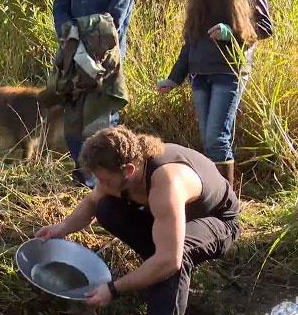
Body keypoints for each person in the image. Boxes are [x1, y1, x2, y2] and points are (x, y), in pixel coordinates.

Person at [36, 126, 240, 314]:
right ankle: (155, 276)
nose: (101, 184)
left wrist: (114, 288)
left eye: (105, 180)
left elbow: (170, 260)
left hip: (218, 221)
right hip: (172, 219)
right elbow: (92, 201)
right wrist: (62, 228)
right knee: (106, 207)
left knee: (174, 259)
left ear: (128, 170)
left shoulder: (166, 182)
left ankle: (161, 288)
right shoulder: (124, 173)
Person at [156, 0, 273, 186]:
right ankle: (217, 202)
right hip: (200, 73)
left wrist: (231, 32)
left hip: (228, 72)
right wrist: (174, 78)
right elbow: (191, 39)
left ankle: (225, 208)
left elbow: (265, 28)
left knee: (216, 139)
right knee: (208, 139)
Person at [52, 0, 134, 187]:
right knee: (73, 126)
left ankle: (108, 187)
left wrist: (79, 35)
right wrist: (70, 35)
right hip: (73, 62)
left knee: (100, 127)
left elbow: (114, 20)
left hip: (102, 63)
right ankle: (85, 181)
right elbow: (60, 8)